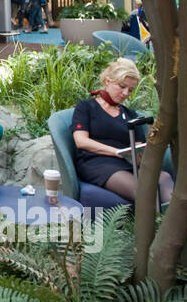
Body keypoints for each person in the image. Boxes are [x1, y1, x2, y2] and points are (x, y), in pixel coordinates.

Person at [71, 58, 173, 204]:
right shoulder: (86, 107)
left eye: (130, 90)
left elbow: (138, 147)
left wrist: (145, 150)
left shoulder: (131, 114)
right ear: (108, 81)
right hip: (98, 163)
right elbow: (81, 141)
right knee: (143, 191)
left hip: (127, 163)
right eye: (122, 86)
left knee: (164, 178)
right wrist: (115, 152)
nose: (126, 93)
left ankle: (174, 222)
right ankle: (151, 225)